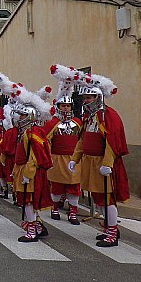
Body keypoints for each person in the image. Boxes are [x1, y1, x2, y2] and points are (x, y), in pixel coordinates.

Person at [68, 69, 129, 247]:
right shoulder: (89, 117)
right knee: (99, 199)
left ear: (98, 97)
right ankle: (108, 228)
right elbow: (82, 140)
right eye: (85, 98)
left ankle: (112, 233)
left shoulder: (109, 116)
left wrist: (107, 163)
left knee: (107, 199)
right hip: (90, 162)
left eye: (89, 98)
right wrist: (75, 158)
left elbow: (112, 141)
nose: (86, 101)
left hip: (103, 164)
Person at [0, 74, 53, 243]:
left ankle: (32, 229)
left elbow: (35, 156)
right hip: (22, 169)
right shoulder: (24, 132)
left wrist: (28, 172)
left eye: (21, 115)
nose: (17, 118)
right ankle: (38, 226)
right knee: (25, 200)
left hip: (30, 172)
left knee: (29, 200)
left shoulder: (33, 133)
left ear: (28, 116)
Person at [44, 66, 83, 225]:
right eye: (63, 106)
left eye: (68, 106)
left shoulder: (78, 123)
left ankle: (73, 212)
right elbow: (45, 141)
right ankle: (54, 208)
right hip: (57, 159)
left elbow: (83, 140)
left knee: (74, 187)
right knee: (57, 186)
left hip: (74, 159)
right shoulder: (52, 123)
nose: (66, 109)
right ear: (58, 107)